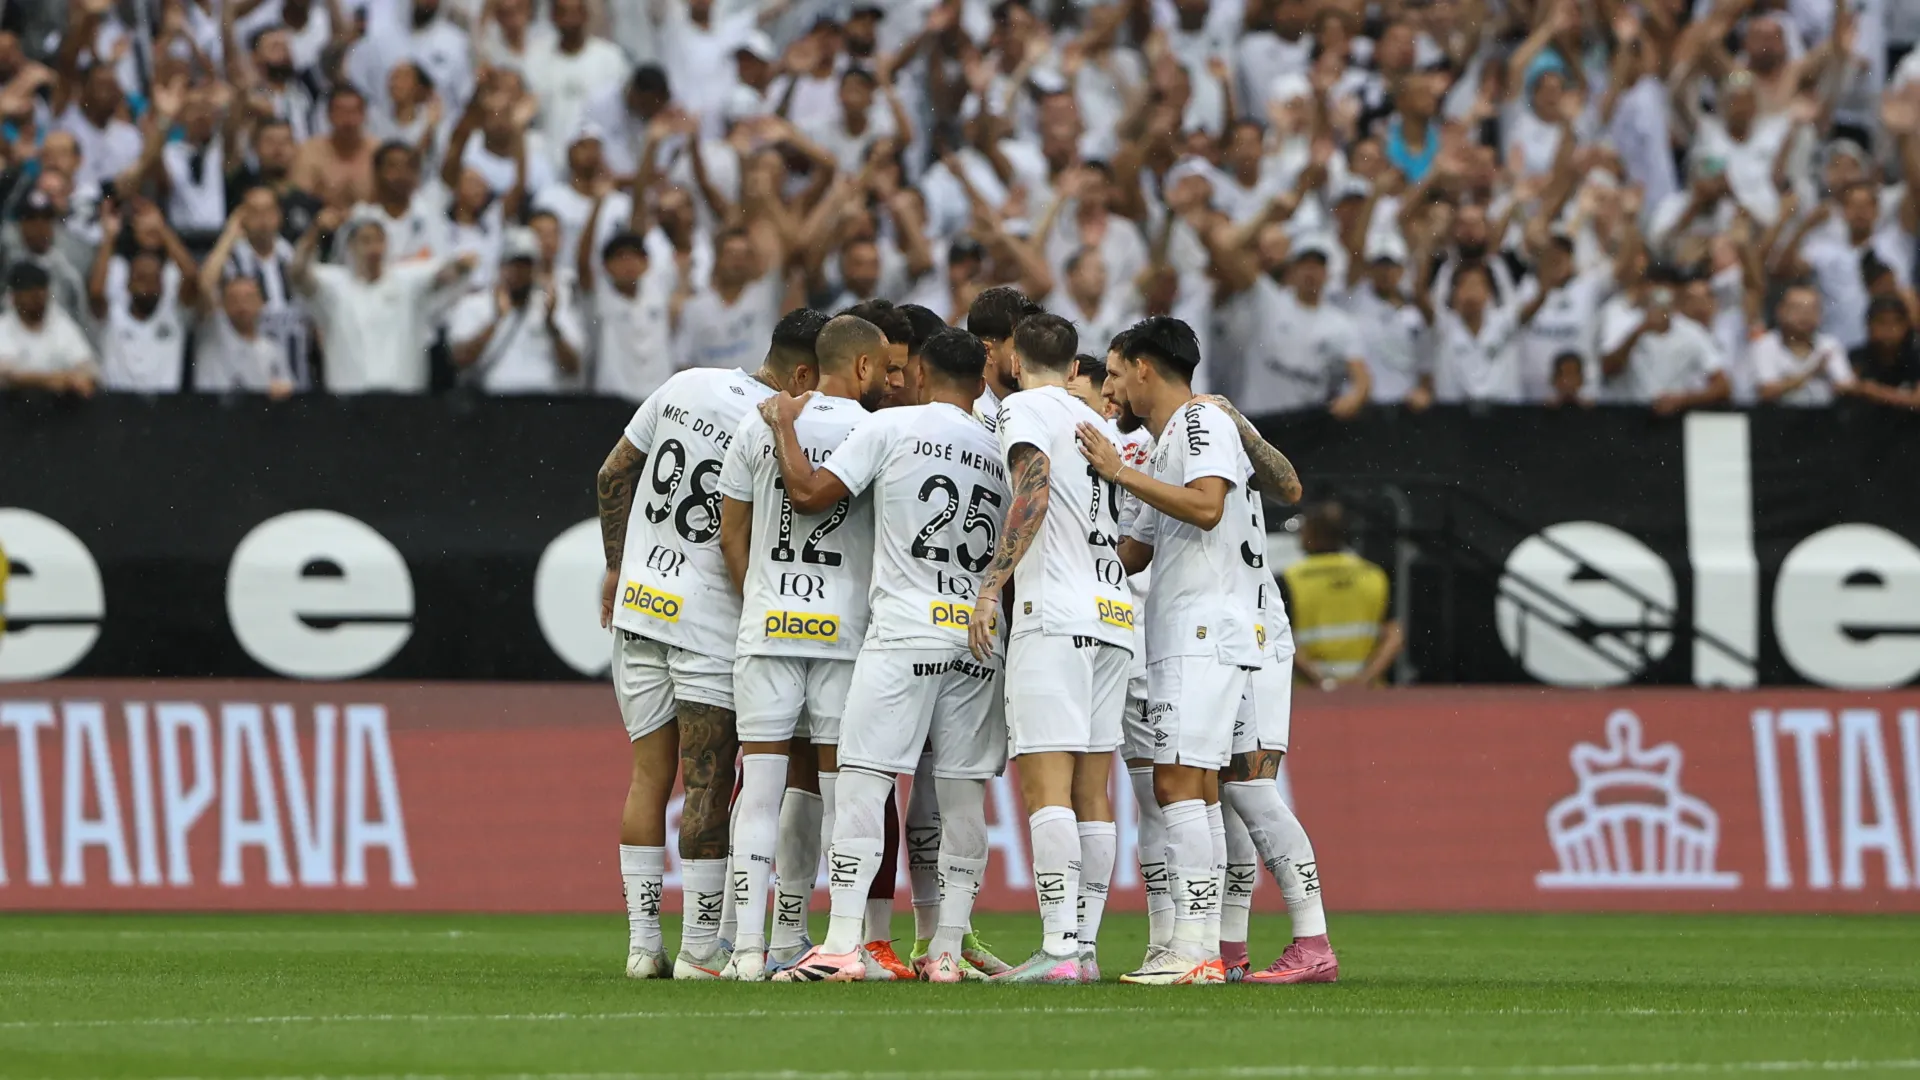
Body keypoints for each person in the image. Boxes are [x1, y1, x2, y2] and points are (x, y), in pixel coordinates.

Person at [768, 328, 1010, 984]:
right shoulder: (1001, 449)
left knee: (863, 784)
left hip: (905, 629)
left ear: (924, 375)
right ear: (981, 384)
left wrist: (785, 427)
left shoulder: (896, 426)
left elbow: (811, 495)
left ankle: (845, 942)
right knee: (963, 801)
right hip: (979, 638)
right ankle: (947, 951)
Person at [595, 308, 820, 981]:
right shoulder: (777, 424)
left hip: (639, 606)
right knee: (707, 783)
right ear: (803, 373)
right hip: (709, 623)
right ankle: (698, 950)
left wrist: (616, 565)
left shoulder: (683, 384)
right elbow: (742, 534)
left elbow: (612, 476)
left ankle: (642, 947)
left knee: (647, 777)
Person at [1074, 316, 1265, 986]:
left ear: (1145, 366)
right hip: (1185, 627)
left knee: (1179, 780)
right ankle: (1196, 943)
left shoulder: (1197, 421)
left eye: (1117, 371)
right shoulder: (1164, 445)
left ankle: (1195, 950)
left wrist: (1112, 473)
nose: (1113, 387)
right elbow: (1136, 551)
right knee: (1193, 786)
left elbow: (1207, 506)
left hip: (1204, 625)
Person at [716, 313, 887, 982]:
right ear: (865, 368)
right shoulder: (875, 432)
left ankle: (749, 952)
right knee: (844, 792)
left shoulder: (756, 422)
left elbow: (733, 529)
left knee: (759, 791)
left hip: (768, 627)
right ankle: (835, 942)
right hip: (844, 636)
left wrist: (760, 594)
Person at [963, 313, 1132, 984]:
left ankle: (1059, 949)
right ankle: (1083, 949)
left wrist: (991, 585)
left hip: (1054, 612)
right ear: (1072, 368)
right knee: (1094, 789)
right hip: (1114, 612)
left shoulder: (1024, 408)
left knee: (1047, 784)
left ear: (1011, 361)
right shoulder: (1096, 419)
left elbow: (1030, 483)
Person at [291, 207, 478, 394]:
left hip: (403, 401)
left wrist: (461, 264)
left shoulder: (408, 281)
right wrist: (315, 233)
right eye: (365, 241)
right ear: (350, 246)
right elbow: (298, 274)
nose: (374, 249)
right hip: (348, 405)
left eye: (379, 240)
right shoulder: (333, 285)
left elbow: (445, 275)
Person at [448, 227, 587, 394]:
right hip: (492, 403)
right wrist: (496, 320)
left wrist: (551, 324)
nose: (519, 273)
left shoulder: (553, 305)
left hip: (542, 402)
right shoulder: (475, 304)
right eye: (513, 265)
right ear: (500, 266)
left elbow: (573, 367)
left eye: (525, 266)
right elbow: (461, 360)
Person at [1283, 501, 1403, 691]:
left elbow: (1280, 639)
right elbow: (1394, 636)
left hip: (1311, 698)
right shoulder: (1373, 574)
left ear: (1312, 533)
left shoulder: (1290, 579)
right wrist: (1364, 680)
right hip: (1368, 695)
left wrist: (1326, 683)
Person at [0, 263, 97, 396]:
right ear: (14, 296)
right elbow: (7, 376)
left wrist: (77, 379)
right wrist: (56, 380)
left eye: (41, 290)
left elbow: (88, 369)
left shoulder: (60, 323)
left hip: (56, 411)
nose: (37, 297)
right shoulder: (4, 326)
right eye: (29, 291)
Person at [1751, 283, 1855, 406]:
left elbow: (1848, 386)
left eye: (1812, 309)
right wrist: (1812, 373)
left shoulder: (1829, 344)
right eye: (1797, 308)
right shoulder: (1764, 345)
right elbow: (1767, 391)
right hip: (1778, 418)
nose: (1805, 315)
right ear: (1780, 311)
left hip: (1823, 416)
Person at [1848, 296, 1920, 410]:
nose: (1889, 329)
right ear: (1868, 325)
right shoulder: (1857, 357)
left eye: (1895, 322)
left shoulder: (1916, 355)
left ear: (1906, 325)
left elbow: (1917, 400)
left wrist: (1877, 392)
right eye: (1881, 322)